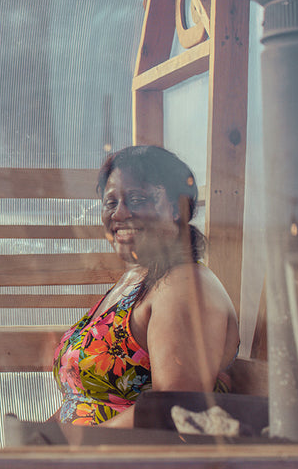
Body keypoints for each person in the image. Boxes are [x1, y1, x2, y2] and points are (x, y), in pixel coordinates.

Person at [52, 145, 240, 427]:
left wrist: (68, 452)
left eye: (137, 199)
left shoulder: (183, 285)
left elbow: (173, 409)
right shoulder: (137, 278)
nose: (119, 214)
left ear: (177, 208)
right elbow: (82, 400)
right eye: (110, 202)